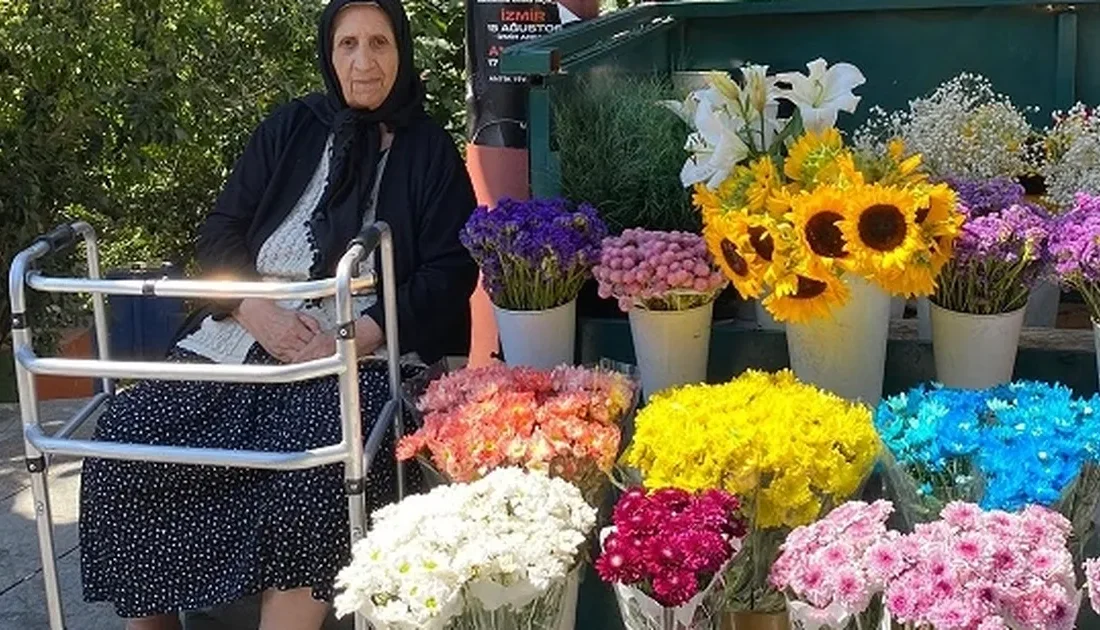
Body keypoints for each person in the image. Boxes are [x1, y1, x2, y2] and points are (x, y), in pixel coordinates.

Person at [77, 0, 478, 628]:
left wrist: (360, 333)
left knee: (311, 473)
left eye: (378, 43)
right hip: (242, 336)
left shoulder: (429, 150)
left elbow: (452, 270)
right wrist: (251, 307)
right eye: (348, 44)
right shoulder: (291, 127)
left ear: (400, 51)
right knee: (127, 445)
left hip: (359, 349)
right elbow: (219, 235)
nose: (363, 61)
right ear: (329, 51)